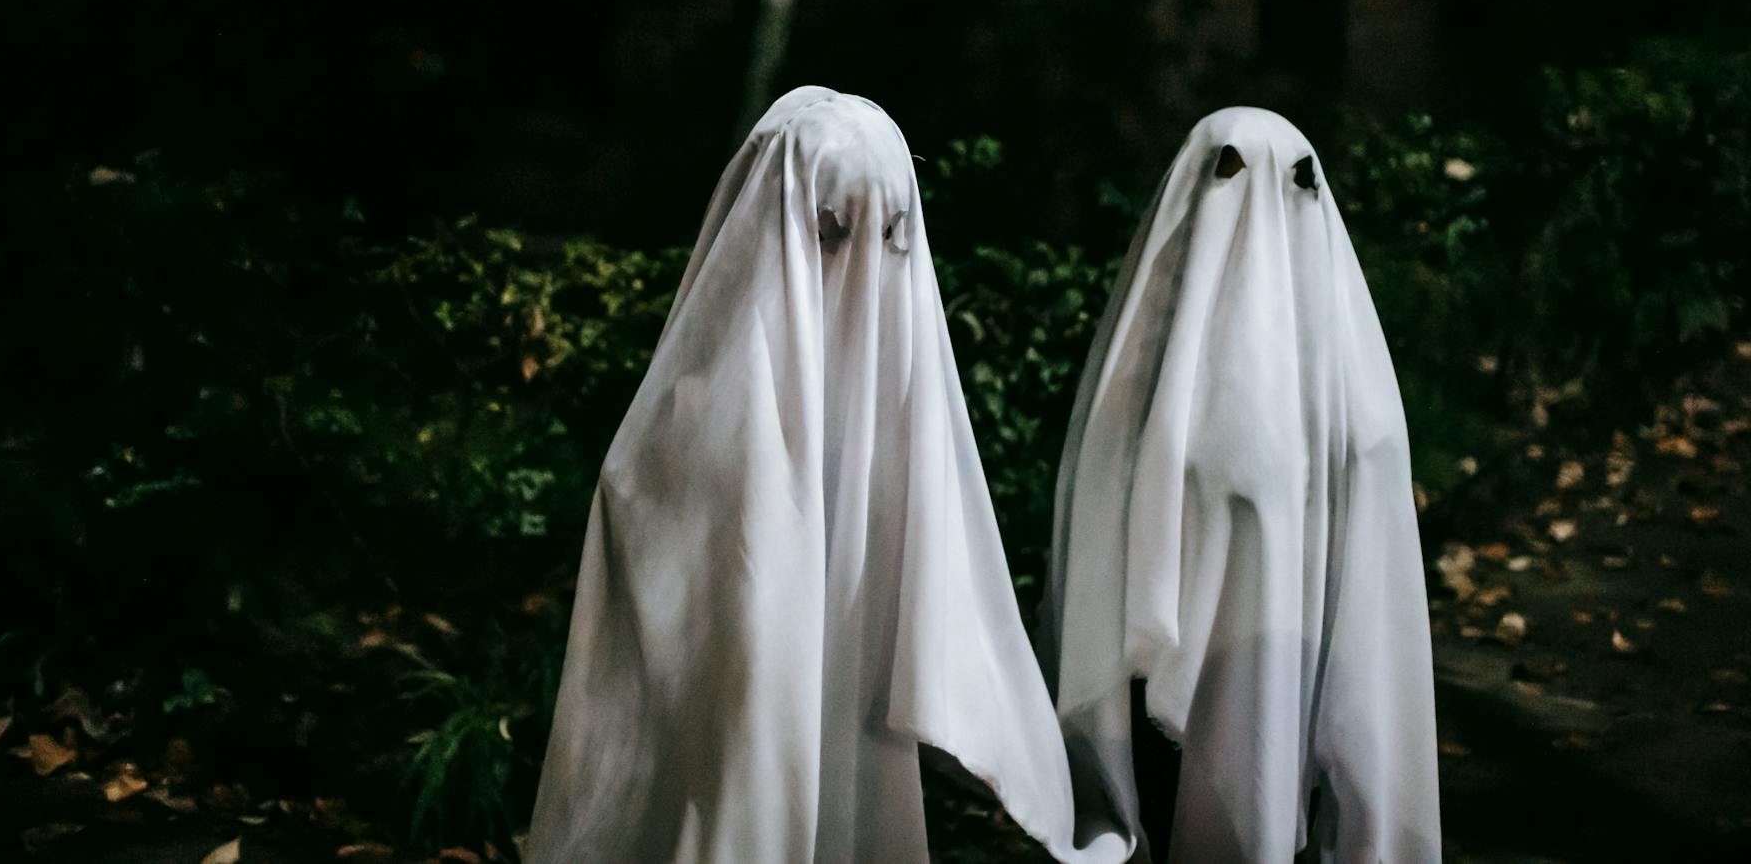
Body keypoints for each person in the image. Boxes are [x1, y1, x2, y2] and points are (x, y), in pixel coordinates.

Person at [523, 86, 1130, 864]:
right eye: (833, 230)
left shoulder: (894, 383)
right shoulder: (708, 392)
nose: (864, 267)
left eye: (892, 233)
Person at [1043, 107, 1441, 863]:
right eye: (1230, 174)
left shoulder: (1358, 402)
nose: (1257, 206)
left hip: (1301, 688)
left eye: (1292, 182)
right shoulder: (1141, 372)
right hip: (1157, 710)